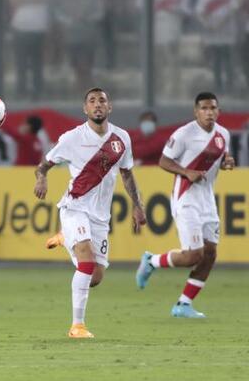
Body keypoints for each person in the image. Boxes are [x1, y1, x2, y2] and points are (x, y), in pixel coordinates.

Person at [34, 87, 146, 338]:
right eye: (92, 101)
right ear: (85, 109)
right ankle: (77, 326)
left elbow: (127, 174)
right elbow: (44, 165)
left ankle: (65, 238)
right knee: (85, 261)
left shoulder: (122, 138)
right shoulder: (71, 138)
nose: (97, 105)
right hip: (74, 208)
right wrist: (41, 178)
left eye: (102, 101)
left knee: (94, 276)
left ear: (110, 107)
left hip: (100, 217)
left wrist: (138, 205)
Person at [136, 92, 234, 318]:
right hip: (186, 198)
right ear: (196, 111)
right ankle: (151, 261)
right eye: (204, 108)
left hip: (207, 200)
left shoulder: (223, 134)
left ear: (218, 111)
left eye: (213, 108)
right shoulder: (184, 134)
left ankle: (183, 304)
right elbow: (164, 161)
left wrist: (227, 162)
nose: (209, 112)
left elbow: (220, 158)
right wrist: (186, 172)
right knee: (193, 255)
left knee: (210, 254)